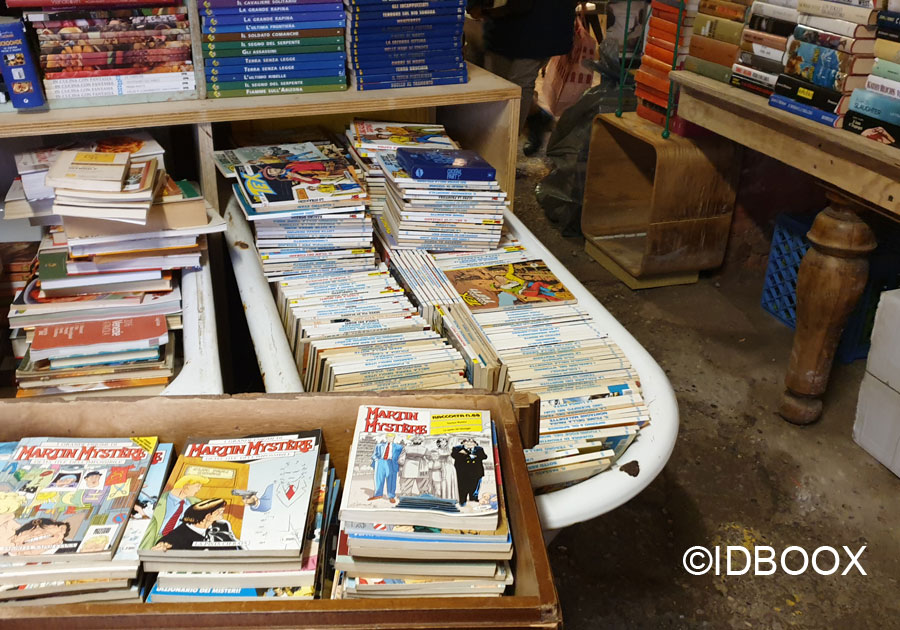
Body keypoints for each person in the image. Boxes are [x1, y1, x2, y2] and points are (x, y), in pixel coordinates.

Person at [468, 0, 578, 155]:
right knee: (498, 82)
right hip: (506, 19)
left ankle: (504, 151)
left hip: (542, 20)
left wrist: (477, 5)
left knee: (519, 84)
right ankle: (534, 117)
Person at [140, 474, 208, 550]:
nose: (199, 489)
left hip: (178, 543)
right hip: (154, 540)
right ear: (186, 486)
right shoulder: (161, 499)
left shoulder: (194, 503)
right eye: (197, 486)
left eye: (200, 487)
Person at [451, 438, 488, 506]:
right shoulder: (457, 448)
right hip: (462, 472)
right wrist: (466, 455)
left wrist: (476, 456)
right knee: (462, 487)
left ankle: (473, 498)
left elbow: (485, 456)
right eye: (467, 442)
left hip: (476, 471)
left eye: (472, 442)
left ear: (475, 443)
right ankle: (462, 500)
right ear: (463, 443)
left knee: (474, 486)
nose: (470, 444)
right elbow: (453, 455)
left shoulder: (479, 449)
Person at [370, 433, 404, 503]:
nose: (389, 438)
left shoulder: (399, 447)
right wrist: (376, 459)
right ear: (386, 437)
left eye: (391, 437)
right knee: (378, 478)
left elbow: (401, 456)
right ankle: (378, 494)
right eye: (388, 437)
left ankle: (391, 496)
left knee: (391, 479)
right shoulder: (379, 446)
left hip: (391, 463)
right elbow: (374, 455)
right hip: (380, 462)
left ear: (394, 438)